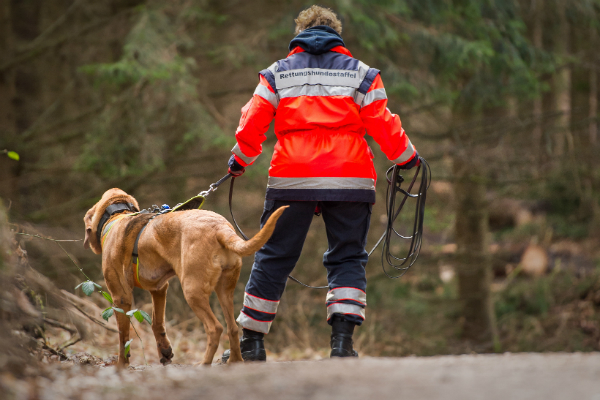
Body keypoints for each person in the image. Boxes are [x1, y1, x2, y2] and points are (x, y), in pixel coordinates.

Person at [222, 5, 419, 362]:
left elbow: (252, 124)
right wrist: (406, 157)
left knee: (274, 255)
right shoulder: (362, 74)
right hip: (350, 177)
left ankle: (251, 343)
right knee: (348, 256)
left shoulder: (275, 74)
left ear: (298, 33)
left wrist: (240, 160)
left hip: (291, 176)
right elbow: (382, 122)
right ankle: (342, 345)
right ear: (337, 35)